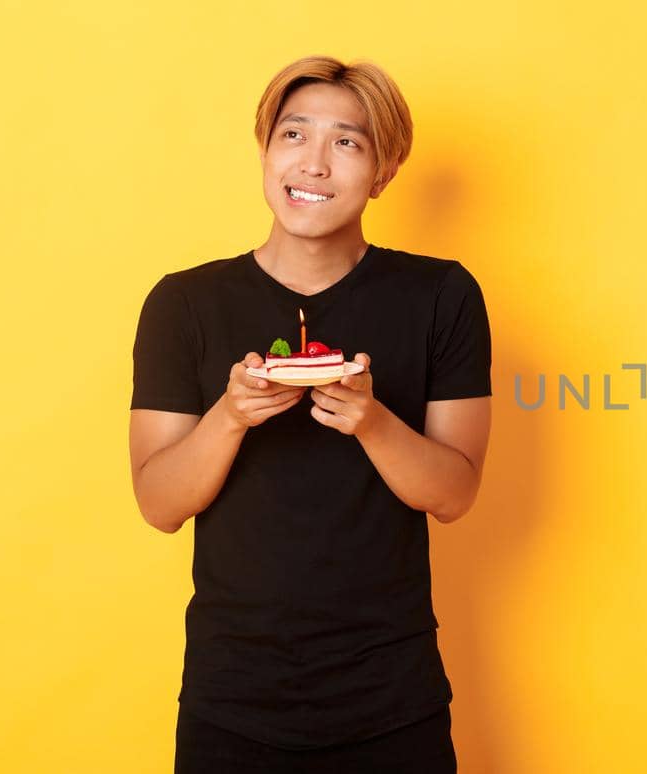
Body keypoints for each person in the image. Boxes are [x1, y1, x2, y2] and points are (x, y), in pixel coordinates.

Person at [127, 55, 491, 773]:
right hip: (232, 699)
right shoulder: (184, 305)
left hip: (393, 695)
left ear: (383, 171)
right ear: (266, 151)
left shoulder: (441, 296)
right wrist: (230, 416)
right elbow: (158, 504)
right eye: (294, 135)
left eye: (347, 142)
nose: (315, 163)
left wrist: (371, 419)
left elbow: (455, 495)